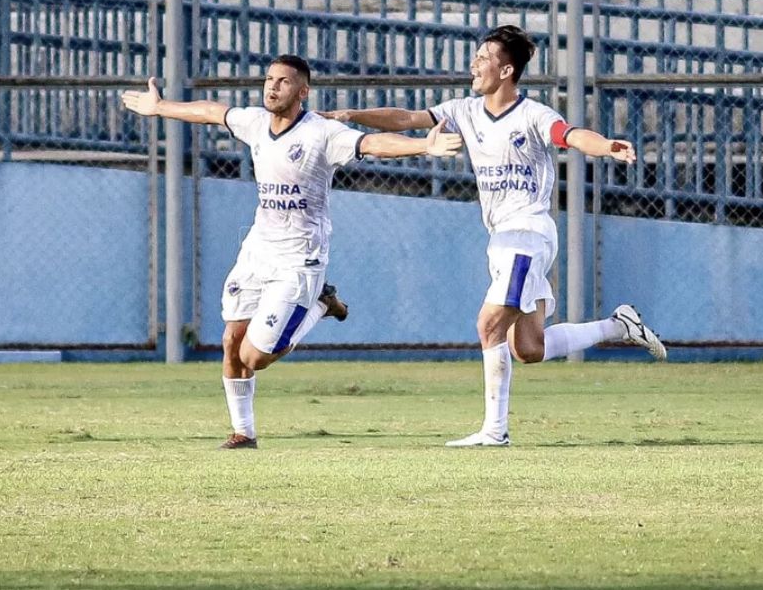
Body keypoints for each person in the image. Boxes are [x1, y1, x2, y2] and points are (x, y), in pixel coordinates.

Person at [324, 25, 667, 447]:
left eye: (483, 58)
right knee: (529, 348)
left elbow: (570, 135)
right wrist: (352, 116)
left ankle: (494, 431)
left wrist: (605, 145)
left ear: (506, 70)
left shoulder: (533, 115)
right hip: (502, 238)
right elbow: (409, 119)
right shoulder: (464, 110)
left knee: (489, 325)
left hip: (528, 234)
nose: (474, 64)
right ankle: (618, 326)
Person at [122, 55, 462, 449]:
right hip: (258, 251)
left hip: (300, 259)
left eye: (283, 81)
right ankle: (243, 434)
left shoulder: (322, 133)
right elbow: (211, 112)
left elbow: (371, 143)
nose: (272, 86)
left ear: (303, 91)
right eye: (269, 79)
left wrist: (423, 145)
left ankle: (320, 304)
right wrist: (160, 107)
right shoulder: (255, 123)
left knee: (255, 357)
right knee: (232, 340)